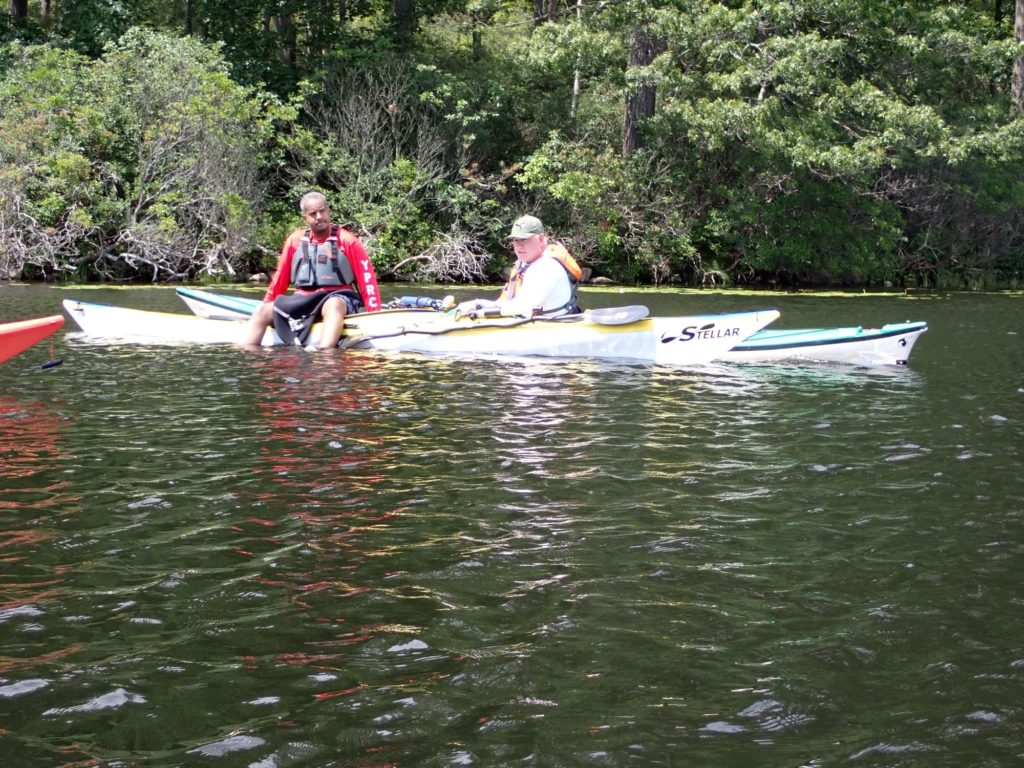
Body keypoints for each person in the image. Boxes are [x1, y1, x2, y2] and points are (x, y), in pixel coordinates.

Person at [241, 192, 381, 349]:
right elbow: (280, 279)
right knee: (262, 311)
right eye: (313, 214)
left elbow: (367, 279)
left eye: (322, 211)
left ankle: (326, 354)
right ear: (305, 218)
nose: (319, 217)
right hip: (304, 298)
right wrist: (267, 303)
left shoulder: (347, 240)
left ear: (329, 211)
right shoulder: (295, 240)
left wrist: (374, 313)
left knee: (333, 305)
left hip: (339, 296)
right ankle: (249, 355)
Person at [456, 215, 583, 319]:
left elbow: (524, 309)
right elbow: (509, 305)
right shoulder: (525, 264)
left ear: (541, 239)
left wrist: (478, 308)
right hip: (530, 324)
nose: (519, 245)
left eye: (525, 240)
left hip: (551, 329)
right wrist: (479, 304)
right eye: (516, 240)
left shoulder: (547, 267)